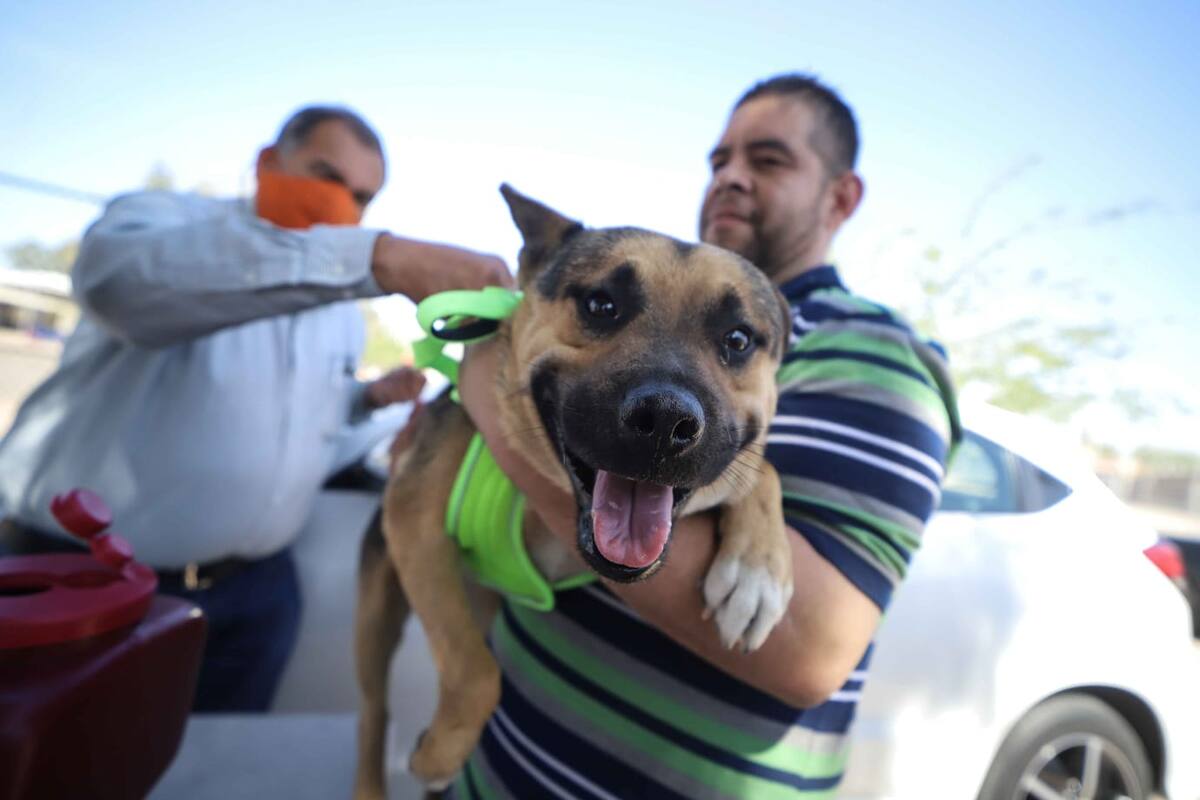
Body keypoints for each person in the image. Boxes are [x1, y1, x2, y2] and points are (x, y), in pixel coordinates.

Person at [452, 74, 961, 797]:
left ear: (841, 197)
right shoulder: (666, 290)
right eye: (719, 160)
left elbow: (807, 648)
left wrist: (483, 384)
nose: (731, 179)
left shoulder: (876, 357)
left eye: (769, 160)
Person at [0, 105, 511, 712]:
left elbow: (307, 423)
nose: (342, 202)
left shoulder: (341, 313)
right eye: (326, 174)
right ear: (270, 162)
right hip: (84, 586)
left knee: (220, 766)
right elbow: (120, 287)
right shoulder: (164, 222)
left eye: (362, 196)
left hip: (258, 595)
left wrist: (364, 401)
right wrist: (378, 259)